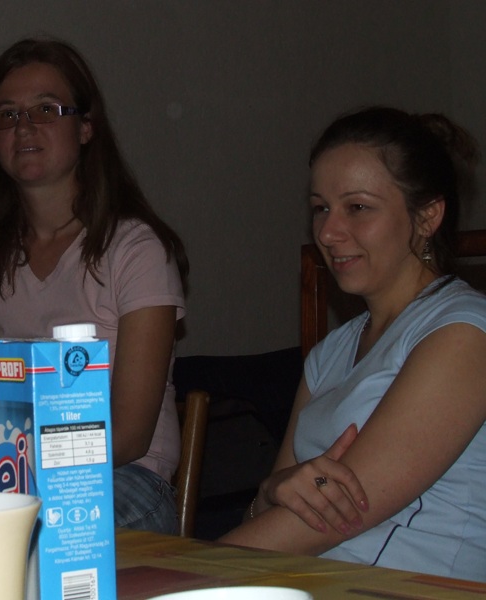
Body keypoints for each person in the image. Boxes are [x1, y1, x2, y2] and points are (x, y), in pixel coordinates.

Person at [0, 37, 189, 534]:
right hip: (8, 479)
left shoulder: (135, 250)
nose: (23, 126)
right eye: (7, 114)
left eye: (45, 109)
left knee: (24, 534)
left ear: (86, 127)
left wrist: (15, 470)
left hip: (122, 478)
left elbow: (130, 434)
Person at [218, 106, 486, 582]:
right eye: (320, 207)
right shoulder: (331, 352)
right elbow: (271, 512)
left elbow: (332, 519)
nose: (327, 232)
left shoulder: (464, 332)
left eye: (357, 207)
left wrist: (170, 574)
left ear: (427, 216)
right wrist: (271, 490)